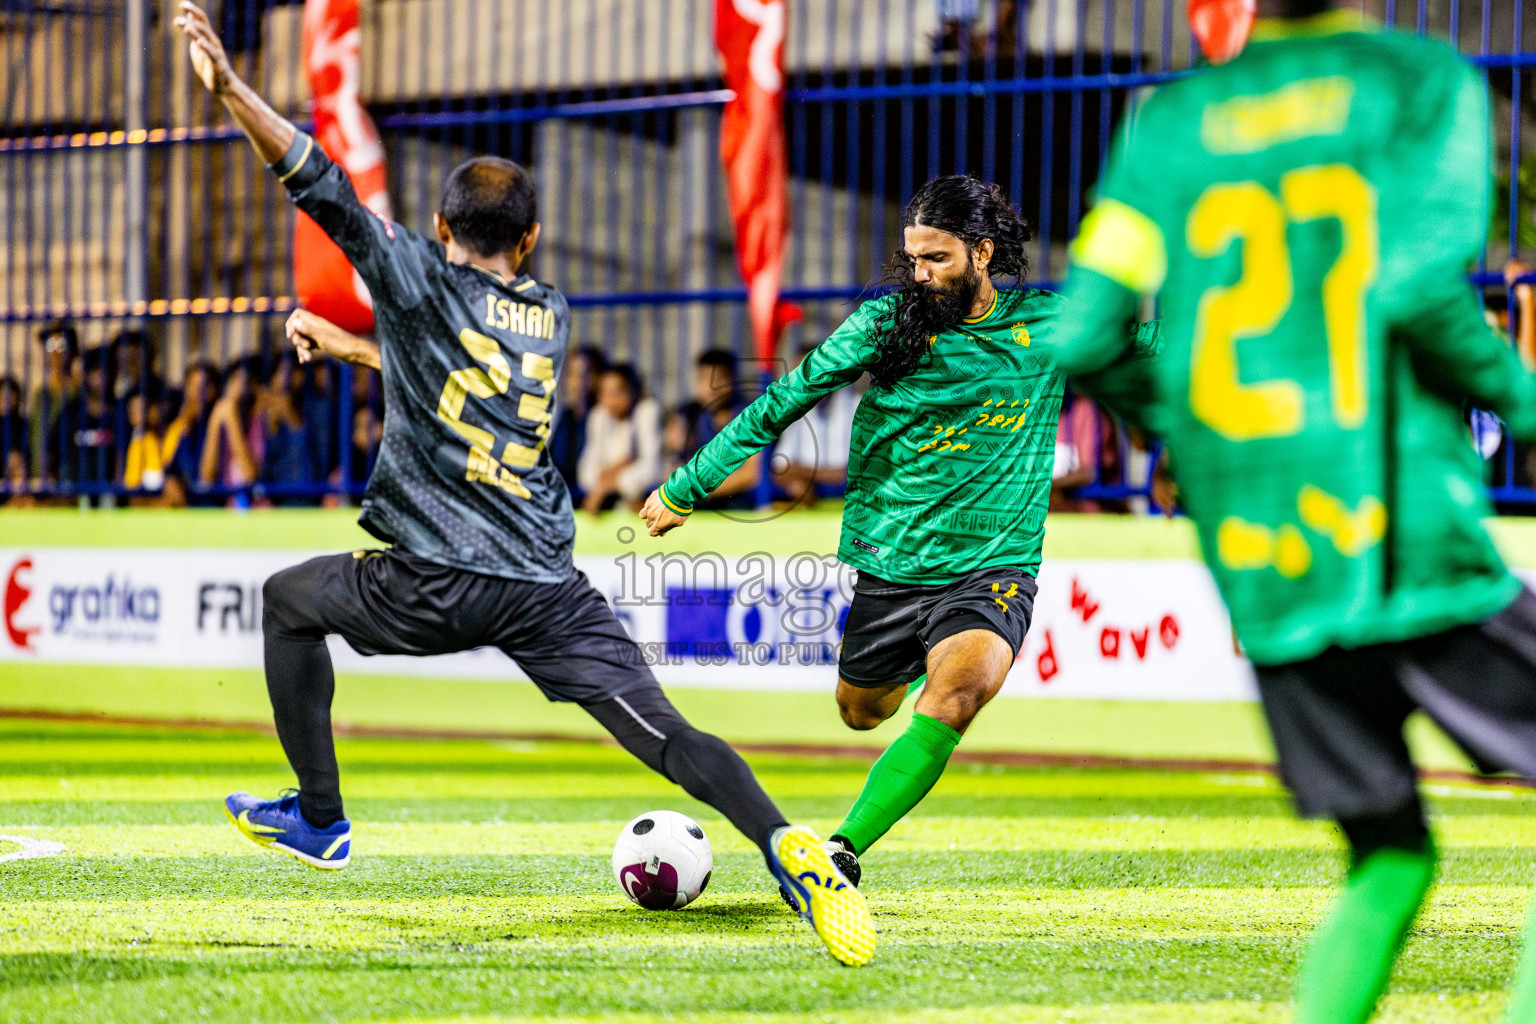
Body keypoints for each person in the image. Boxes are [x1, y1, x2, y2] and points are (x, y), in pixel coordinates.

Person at [176, 2, 873, 967]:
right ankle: (785, 842)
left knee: (289, 603)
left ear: (437, 225)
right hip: (548, 587)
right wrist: (349, 346)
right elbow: (459, 373)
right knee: (665, 735)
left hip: (436, 580)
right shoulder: (546, 312)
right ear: (533, 238)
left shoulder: (415, 272)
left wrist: (229, 87)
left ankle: (321, 818)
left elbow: (318, 178)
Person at [1048, 3, 1536, 1020]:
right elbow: (1413, 287)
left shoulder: (1170, 125)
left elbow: (1083, 335)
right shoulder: (1416, 79)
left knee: (1389, 854)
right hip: (1400, 522)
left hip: (1261, 550)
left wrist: (1201, 432)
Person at [641, 175, 1158, 891]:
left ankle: (841, 851)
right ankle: (922, 658)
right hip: (893, 562)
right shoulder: (884, 326)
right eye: (912, 257)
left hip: (994, 566)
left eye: (937, 259)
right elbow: (783, 403)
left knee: (958, 696)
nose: (919, 273)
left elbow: (1165, 347)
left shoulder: (1049, 326)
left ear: (982, 253)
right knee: (861, 711)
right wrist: (686, 484)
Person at [666, 349, 762, 508]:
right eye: (703, 379)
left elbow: (752, 475)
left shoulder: (751, 417)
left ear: (734, 379)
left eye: (719, 379)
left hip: (743, 505)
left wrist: (698, 489)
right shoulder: (688, 416)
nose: (711, 387)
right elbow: (672, 471)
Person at [772, 340, 858, 508]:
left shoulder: (858, 407)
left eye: (808, 373)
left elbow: (852, 475)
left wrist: (802, 473)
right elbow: (779, 470)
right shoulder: (794, 412)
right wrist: (803, 480)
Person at [576, 362, 663, 514]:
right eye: (604, 393)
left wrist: (613, 483)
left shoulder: (647, 411)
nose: (610, 400)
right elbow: (587, 468)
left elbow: (652, 470)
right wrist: (604, 480)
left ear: (632, 391)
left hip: (644, 497)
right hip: (605, 497)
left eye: (617, 393)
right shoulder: (598, 415)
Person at [548, 343, 605, 494]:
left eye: (585, 374)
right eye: (572, 374)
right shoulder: (557, 418)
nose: (578, 383)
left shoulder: (604, 419)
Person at [198, 357, 260, 493]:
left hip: (257, 508)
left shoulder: (258, 422)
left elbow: (250, 476)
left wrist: (232, 421)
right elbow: (206, 478)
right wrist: (215, 421)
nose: (240, 387)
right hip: (229, 507)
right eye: (235, 379)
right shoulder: (217, 416)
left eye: (246, 382)